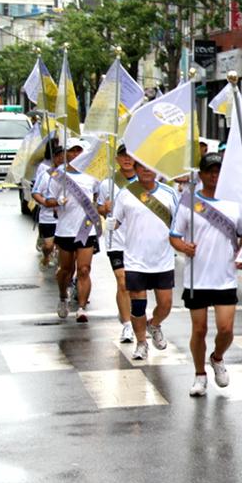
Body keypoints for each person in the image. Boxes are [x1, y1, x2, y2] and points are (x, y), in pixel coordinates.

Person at [170, 152, 242, 397]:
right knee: (199, 329)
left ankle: (217, 358)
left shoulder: (236, 202)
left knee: (226, 330)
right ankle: (199, 374)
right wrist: (184, 247)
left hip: (225, 276)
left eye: (218, 171)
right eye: (209, 171)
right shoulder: (187, 201)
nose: (214, 176)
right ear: (201, 175)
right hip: (197, 278)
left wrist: (241, 254)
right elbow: (174, 236)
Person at [111, 160, 180, 361]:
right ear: (136, 169)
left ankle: (155, 324)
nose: (146, 170)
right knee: (138, 306)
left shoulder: (169, 193)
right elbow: (116, 222)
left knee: (165, 305)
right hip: (135, 259)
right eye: (141, 166)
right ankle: (141, 343)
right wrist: (110, 222)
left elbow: (179, 222)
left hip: (163, 259)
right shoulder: (125, 194)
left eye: (149, 166)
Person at [45, 138, 104, 322]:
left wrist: (100, 207)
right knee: (66, 269)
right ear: (66, 154)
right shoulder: (58, 176)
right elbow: (48, 201)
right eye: (73, 151)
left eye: (80, 151)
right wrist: (57, 201)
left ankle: (81, 307)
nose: (76, 154)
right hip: (65, 230)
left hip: (86, 229)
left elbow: (98, 199)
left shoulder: (93, 177)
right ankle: (63, 296)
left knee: (84, 269)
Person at [100, 144, 139, 343]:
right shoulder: (108, 183)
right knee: (122, 281)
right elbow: (99, 207)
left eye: (130, 155)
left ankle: (134, 316)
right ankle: (126, 325)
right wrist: (104, 208)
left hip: (138, 240)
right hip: (115, 240)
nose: (126, 159)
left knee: (135, 286)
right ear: (117, 159)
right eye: (122, 155)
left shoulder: (145, 182)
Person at [32, 144, 65, 269]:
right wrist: (45, 202)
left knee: (62, 247)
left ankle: (62, 270)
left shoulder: (69, 177)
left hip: (63, 217)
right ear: (54, 158)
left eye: (64, 157)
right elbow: (35, 193)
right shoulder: (45, 175)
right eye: (59, 157)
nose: (62, 159)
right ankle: (46, 255)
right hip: (48, 217)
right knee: (48, 246)